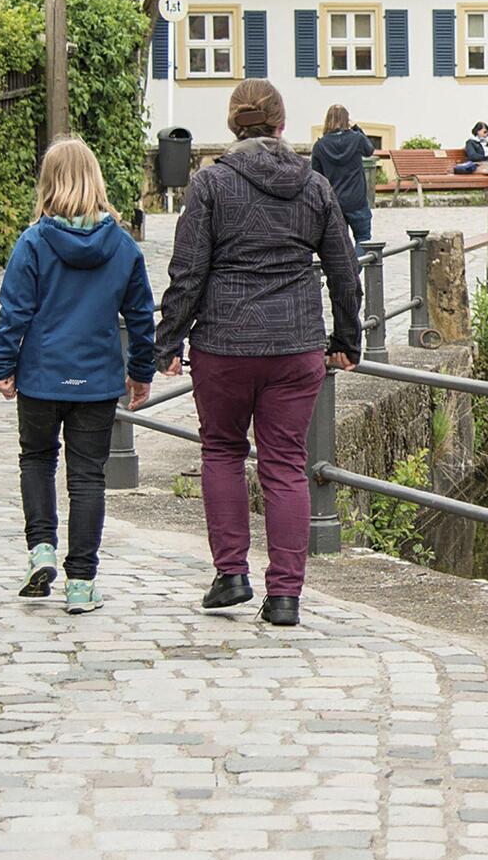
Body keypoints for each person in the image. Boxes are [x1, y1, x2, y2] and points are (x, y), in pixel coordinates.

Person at [155, 79, 362, 627]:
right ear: (281, 124)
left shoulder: (210, 185)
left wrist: (168, 340)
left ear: (232, 125)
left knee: (221, 451)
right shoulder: (314, 186)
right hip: (295, 347)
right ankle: (286, 595)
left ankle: (230, 576)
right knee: (286, 464)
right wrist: (347, 340)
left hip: (223, 344)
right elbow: (344, 269)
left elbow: (188, 271)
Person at [0, 137, 156, 615]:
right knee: (87, 479)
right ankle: (81, 582)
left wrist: (2, 366)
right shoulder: (122, 246)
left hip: (41, 377)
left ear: (48, 183)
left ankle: (41, 550)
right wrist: (140, 371)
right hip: (98, 380)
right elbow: (141, 317)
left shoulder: (34, 242)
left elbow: (13, 312)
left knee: (37, 460)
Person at [310, 104, 376, 248]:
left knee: (341, 244)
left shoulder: (320, 146)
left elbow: (316, 175)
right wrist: (356, 127)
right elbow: (369, 150)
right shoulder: (356, 138)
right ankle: (355, 269)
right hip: (357, 199)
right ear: (347, 120)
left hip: (334, 201)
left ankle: (348, 270)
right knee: (364, 239)